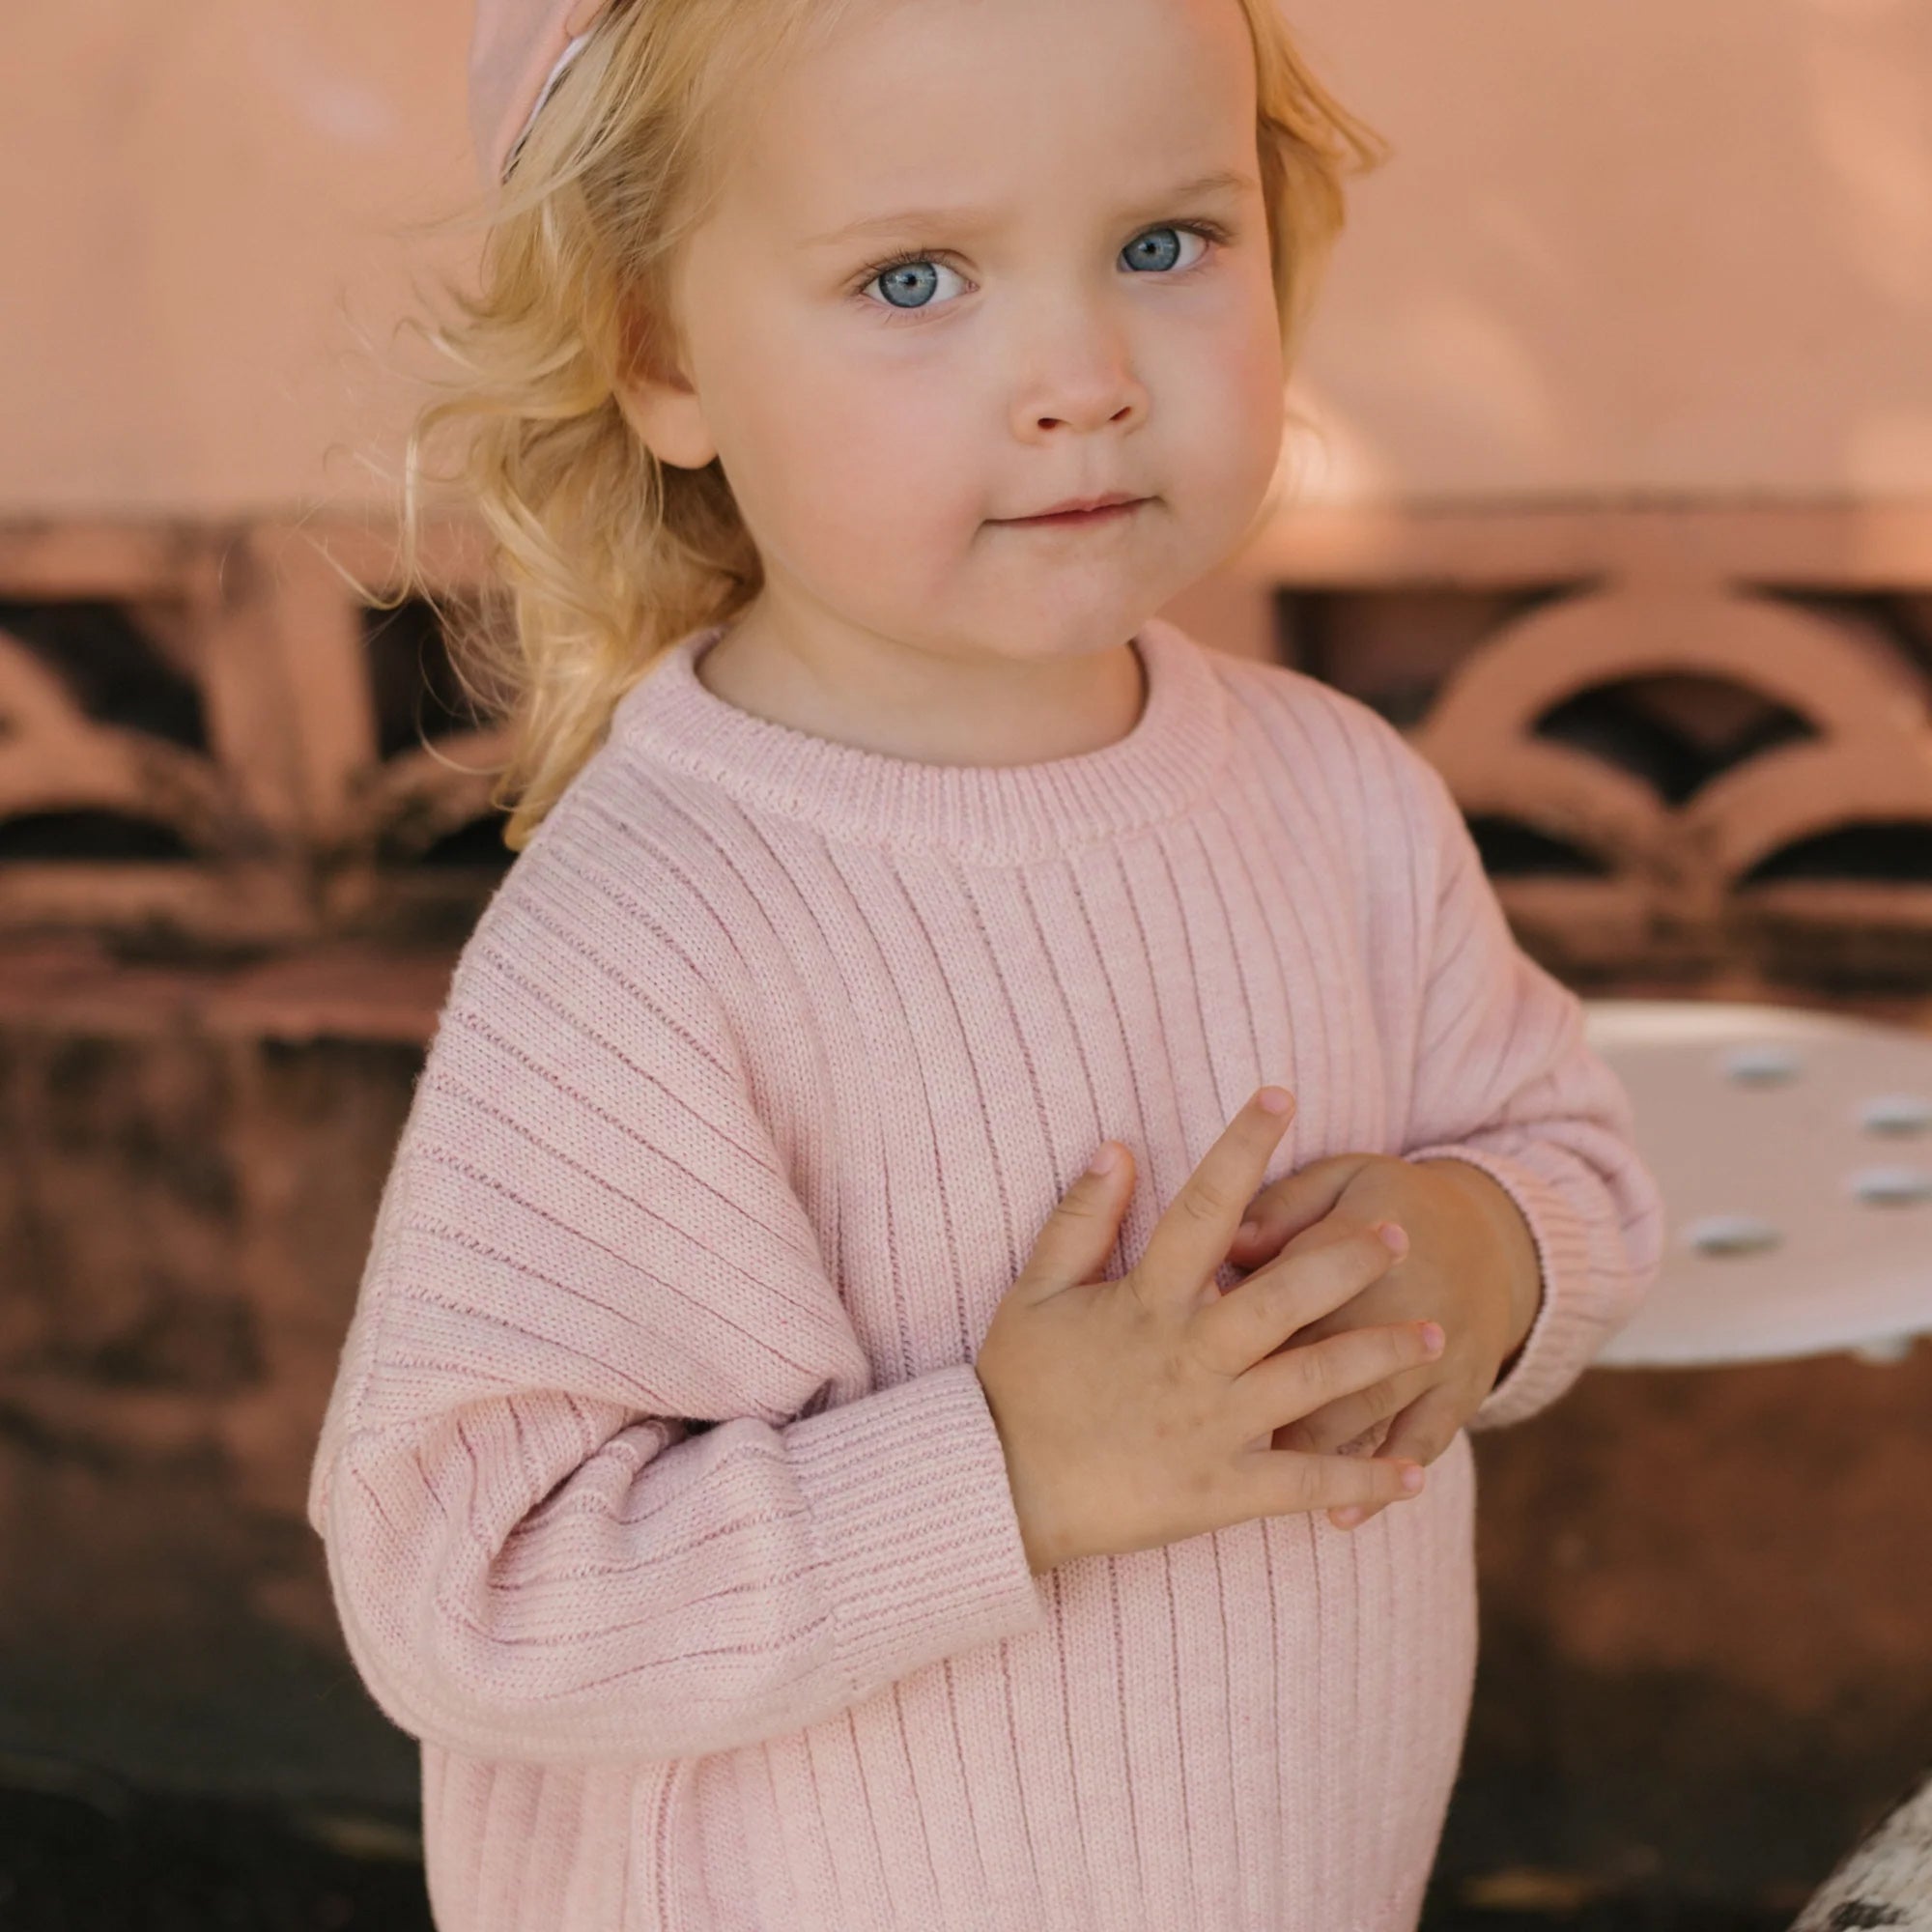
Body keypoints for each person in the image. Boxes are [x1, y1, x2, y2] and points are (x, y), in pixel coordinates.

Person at [308, 0, 1666, 1925]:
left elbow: (1580, 1159)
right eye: (916, 277)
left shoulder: (1339, 800)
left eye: (1163, 244)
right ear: (659, 350)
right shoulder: (657, 939)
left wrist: (1481, 1246)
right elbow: (468, 1592)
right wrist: (1006, 1467)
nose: (1084, 374)